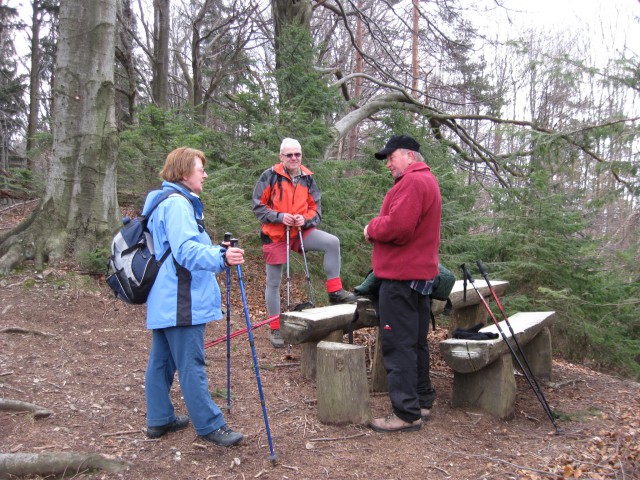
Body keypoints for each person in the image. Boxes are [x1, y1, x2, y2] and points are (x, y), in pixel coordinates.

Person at [143, 147, 244, 447]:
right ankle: (210, 425)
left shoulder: (165, 200)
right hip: (180, 298)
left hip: (166, 296)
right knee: (191, 363)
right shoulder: (176, 204)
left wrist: (215, 250)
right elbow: (186, 251)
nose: (205, 174)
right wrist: (221, 257)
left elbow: (177, 247)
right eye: (201, 169)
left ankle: (159, 419)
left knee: (161, 361)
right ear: (185, 172)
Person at [364, 135, 442, 433]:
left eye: (391, 157)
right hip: (419, 275)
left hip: (401, 277)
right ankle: (421, 401)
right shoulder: (427, 181)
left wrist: (371, 228)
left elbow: (399, 227)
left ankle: (406, 414)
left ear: (409, 156)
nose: (388, 164)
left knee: (399, 346)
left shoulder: (412, 182)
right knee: (416, 343)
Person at [253, 137, 357, 348]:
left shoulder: (308, 178)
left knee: (331, 242)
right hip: (275, 234)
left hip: (301, 232)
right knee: (274, 282)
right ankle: (275, 329)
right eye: (289, 154)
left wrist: (305, 219)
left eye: (297, 154)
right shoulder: (269, 176)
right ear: (281, 156)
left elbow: (316, 211)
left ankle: (335, 291)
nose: (294, 158)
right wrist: (280, 217)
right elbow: (258, 206)